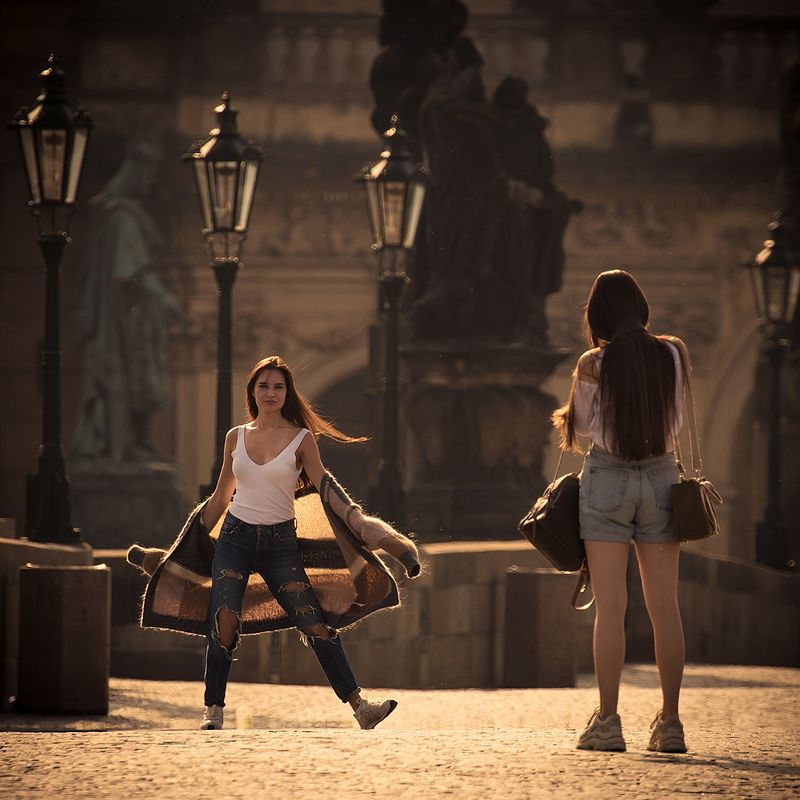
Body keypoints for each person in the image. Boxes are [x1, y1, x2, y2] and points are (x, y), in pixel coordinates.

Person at [128, 355, 420, 731]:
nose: (271, 392)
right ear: (252, 391)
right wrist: (185, 549)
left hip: (281, 543)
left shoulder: (301, 439)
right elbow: (220, 499)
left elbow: (325, 488)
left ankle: (361, 708)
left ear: (287, 393)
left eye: (278, 387)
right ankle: (213, 711)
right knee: (224, 620)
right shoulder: (236, 436)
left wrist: (359, 522)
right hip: (235, 538)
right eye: (263, 385)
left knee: (313, 623)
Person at [552, 269, 689, 754]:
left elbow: (584, 427)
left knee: (611, 608)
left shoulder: (594, 363)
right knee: (664, 607)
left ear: (598, 315)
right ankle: (670, 723)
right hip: (661, 477)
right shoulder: (671, 353)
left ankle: (608, 722)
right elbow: (674, 415)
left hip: (608, 478)